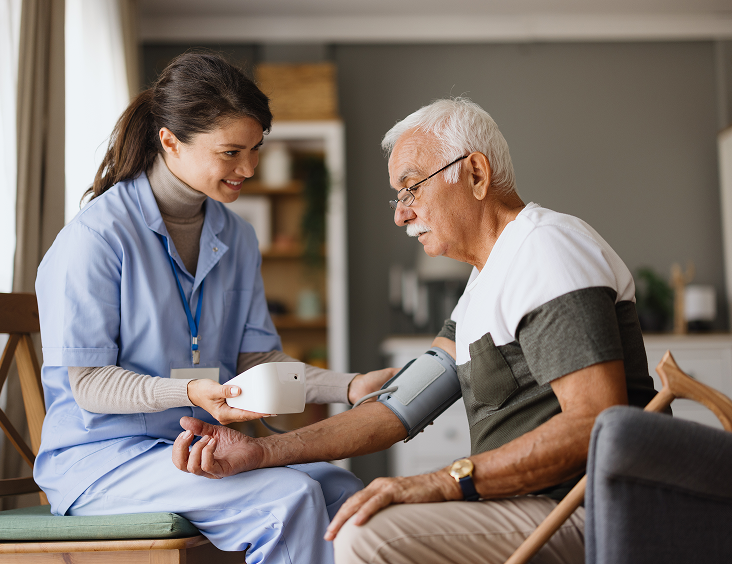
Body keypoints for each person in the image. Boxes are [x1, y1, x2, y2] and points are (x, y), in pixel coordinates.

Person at [172, 97, 658, 564]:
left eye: (411, 188)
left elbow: (596, 421)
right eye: (398, 196)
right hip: (532, 506)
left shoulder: (545, 250)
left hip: (588, 509)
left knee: (366, 537)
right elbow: (396, 407)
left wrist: (447, 481)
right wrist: (261, 451)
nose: (401, 213)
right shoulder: (483, 285)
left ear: (475, 173)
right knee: (353, 514)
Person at [33, 52, 395, 564]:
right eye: (230, 153)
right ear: (169, 141)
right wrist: (186, 391)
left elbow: (258, 362)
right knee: (286, 500)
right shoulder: (95, 238)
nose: (248, 168)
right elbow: (88, 383)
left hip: (197, 450)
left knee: (343, 489)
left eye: (255, 150)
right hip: (101, 464)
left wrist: (350, 386)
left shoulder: (236, 236)